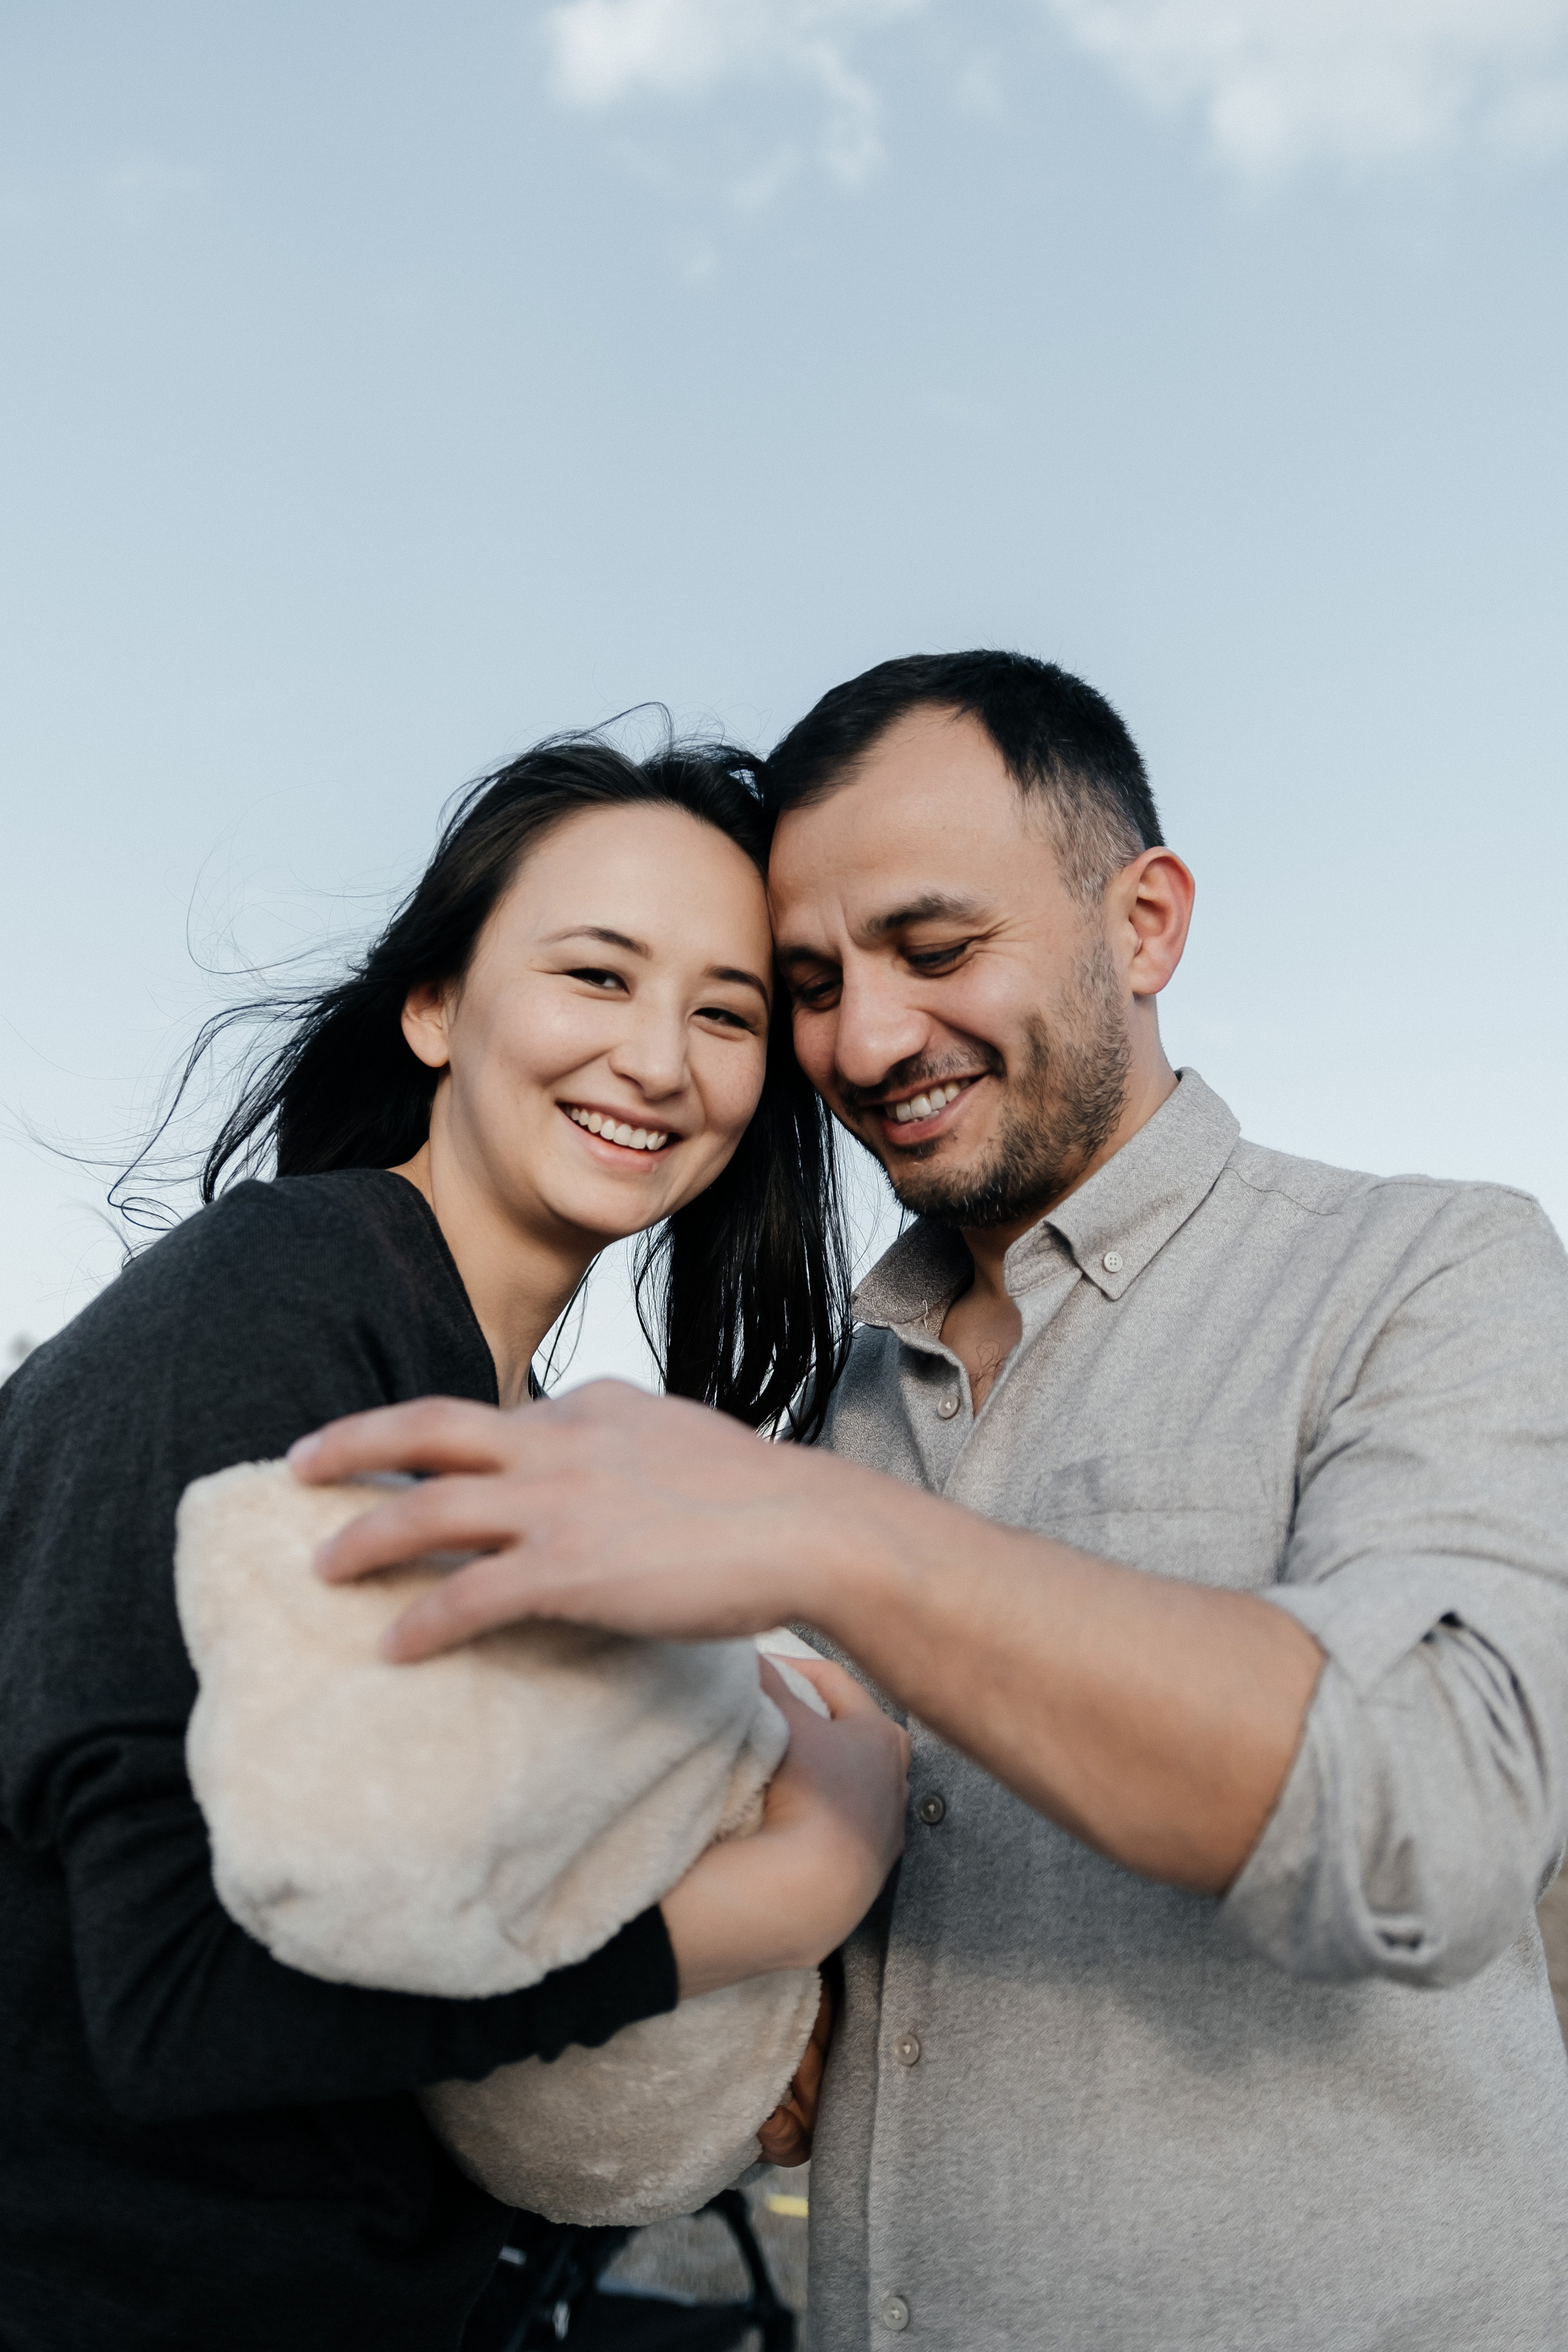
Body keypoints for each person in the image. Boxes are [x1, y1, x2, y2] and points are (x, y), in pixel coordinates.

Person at [294, 651, 1568, 2350]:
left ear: (1146, 923)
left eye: (937, 947)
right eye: (811, 981)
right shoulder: (842, 1419)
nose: (868, 1040)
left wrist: (832, 1540)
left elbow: (1435, 1815)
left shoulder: (1433, 1268)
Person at [0, 734, 909, 2352]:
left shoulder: (527, 1424)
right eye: (595, 975)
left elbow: (454, 1907)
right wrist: (796, 1889)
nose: (657, 1059)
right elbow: (182, 2005)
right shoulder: (274, 1303)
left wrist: (737, 2046)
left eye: (724, 1012)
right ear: (434, 1005)